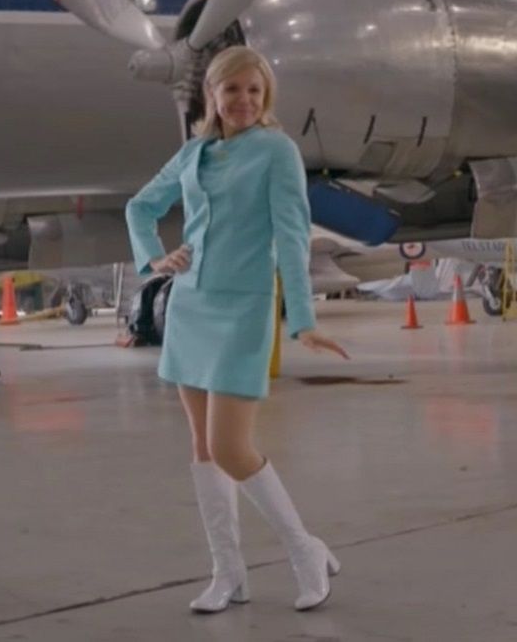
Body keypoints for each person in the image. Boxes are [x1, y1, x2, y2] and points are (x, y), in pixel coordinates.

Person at [125, 45, 349, 613]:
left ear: (266, 95)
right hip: (190, 307)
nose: (244, 100)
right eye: (232, 89)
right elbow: (140, 208)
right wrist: (155, 260)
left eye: (255, 90)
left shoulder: (276, 151)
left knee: (231, 447)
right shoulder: (193, 152)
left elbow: (292, 237)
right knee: (203, 448)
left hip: (244, 309)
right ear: (212, 95)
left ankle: (304, 550)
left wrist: (302, 321)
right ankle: (228, 573)